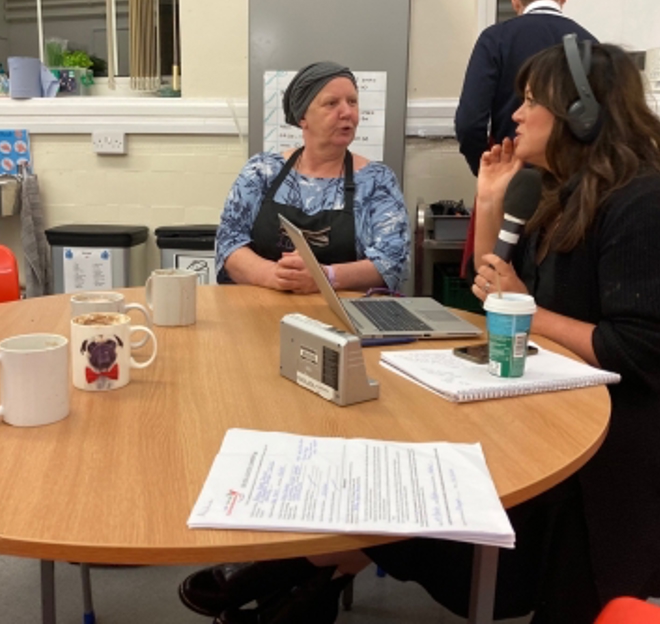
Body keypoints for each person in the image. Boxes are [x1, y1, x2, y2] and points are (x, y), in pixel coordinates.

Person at [179, 41, 660, 624]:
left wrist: (523, 305)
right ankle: (307, 578)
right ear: (301, 114)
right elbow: (495, 295)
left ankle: (302, 571)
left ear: (580, 114)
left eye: (530, 100)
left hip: (602, 449)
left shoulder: (639, 202)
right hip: (542, 393)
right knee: (396, 472)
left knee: (419, 490)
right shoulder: (555, 195)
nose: (514, 113)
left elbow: (631, 346)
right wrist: (488, 202)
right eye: (331, 102)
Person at [214, 61, 410, 292]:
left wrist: (326, 277)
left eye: (352, 101)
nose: (347, 112)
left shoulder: (377, 180)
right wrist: (275, 276)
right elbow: (229, 242)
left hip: (344, 317)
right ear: (302, 117)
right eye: (331, 103)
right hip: (260, 310)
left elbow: (393, 260)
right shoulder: (262, 171)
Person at [455, 0, 596, 176]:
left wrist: (486, 167)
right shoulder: (591, 45)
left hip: (511, 176)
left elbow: (469, 123)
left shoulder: (494, 40)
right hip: (573, 181)